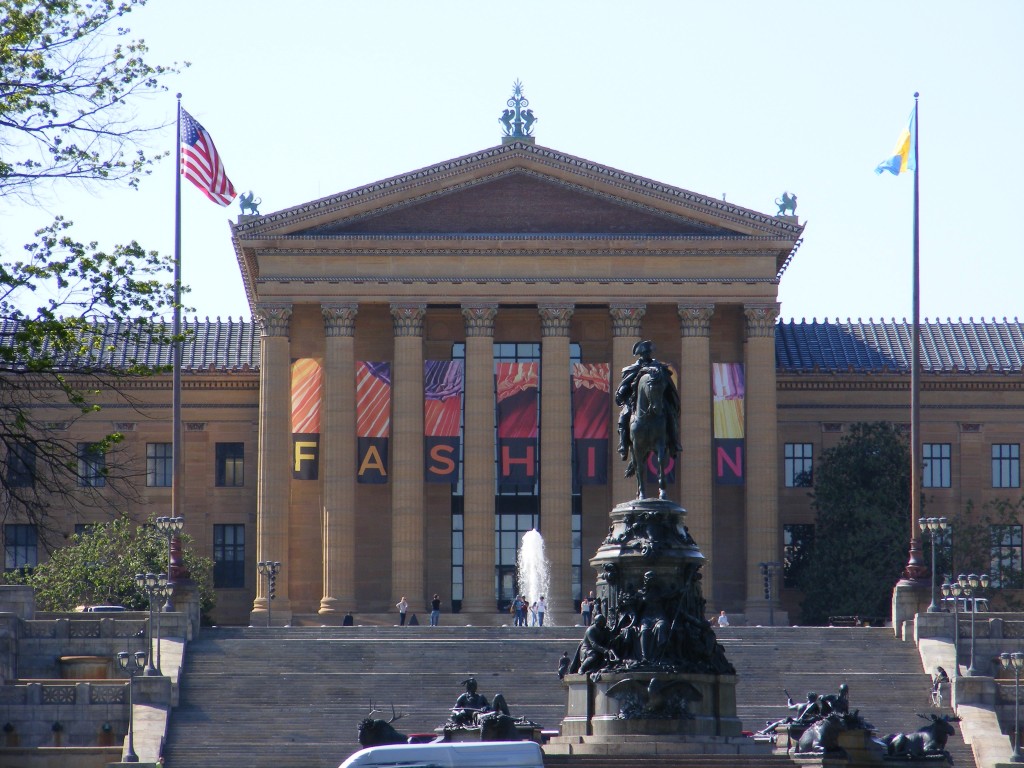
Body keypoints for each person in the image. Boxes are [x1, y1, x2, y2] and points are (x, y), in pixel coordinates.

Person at [614, 340, 682, 476]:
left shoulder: (658, 367)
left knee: (669, 413)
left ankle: (674, 442)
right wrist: (621, 392)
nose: (646, 355)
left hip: (657, 400)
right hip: (635, 402)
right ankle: (623, 445)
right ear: (639, 354)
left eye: (648, 352)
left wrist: (671, 400)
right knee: (623, 417)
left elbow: (668, 386)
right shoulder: (633, 368)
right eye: (644, 353)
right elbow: (625, 385)